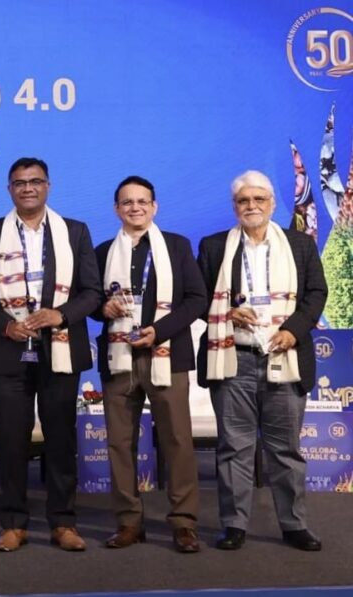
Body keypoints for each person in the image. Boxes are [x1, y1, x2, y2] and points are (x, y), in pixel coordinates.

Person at [0, 157, 102, 552]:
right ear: (9, 189)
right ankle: (13, 523)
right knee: (12, 442)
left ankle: (63, 523)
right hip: (10, 351)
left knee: (60, 440)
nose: (28, 188)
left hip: (60, 349)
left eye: (35, 181)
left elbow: (92, 292)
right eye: (20, 182)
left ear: (48, 186)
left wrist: (62, 315)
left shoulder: (74, 231)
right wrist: (5, 325)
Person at [197, 170, 327, 552]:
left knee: (285, 450)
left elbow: (317, 292)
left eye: (258, 199)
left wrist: (294, 330)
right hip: (233, 359)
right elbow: (197, 297)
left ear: (271, 203)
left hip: (285, 356)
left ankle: (294, 525)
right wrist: (225, 314)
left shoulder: (299, 244)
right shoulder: (214, 246)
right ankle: (234, 524)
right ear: (234, 206)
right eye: (243, 200)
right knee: (233, 448)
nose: (251, 206)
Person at [91, 175, 205, 553]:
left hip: (166, 356)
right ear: (116, 209)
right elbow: (89, 302)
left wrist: (160, 331)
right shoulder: (103, 252)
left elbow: (196, 299)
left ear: (154, 207)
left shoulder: (177, 246)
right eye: (127, 202)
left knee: (177, 441)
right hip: (119, 358)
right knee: (119, 443)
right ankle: (128, 522)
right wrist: (102, 308)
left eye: (142, 201)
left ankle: (184, 523)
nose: (135, 207)